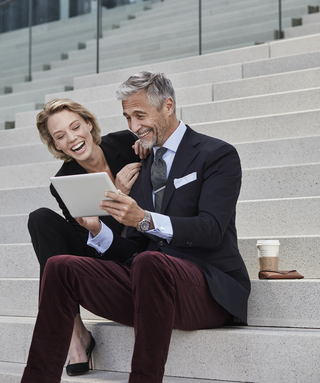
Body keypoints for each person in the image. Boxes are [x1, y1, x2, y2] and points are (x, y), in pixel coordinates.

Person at [21, 72, 251, 383]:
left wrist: (142, 218)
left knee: (149, 262)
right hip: (148, 285)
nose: (133, 127)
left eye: (140, 115)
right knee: (61, 267)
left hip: (207, 287)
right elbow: (132, 249)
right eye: (127, 117)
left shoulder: (216, 154)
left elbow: (211, 229)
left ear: (168, 106)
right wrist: (97, 229)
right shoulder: (138, 166)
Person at [27, 98, 145, 376]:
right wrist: (117, 195)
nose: (72, 138)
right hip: (99, 252)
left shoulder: (127, 143)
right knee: (40, 219)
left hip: (140, 244)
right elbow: (94, 239)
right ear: (56, 145)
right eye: (60, 136)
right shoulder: (64, 182)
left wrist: (150, 147)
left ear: (89, 124)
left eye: (75, 126)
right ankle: (75, 333)